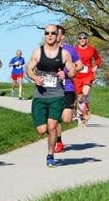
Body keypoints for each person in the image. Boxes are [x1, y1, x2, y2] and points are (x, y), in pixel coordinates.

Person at [26, 24, 77, 168]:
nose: (49, 35)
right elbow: (29, 69)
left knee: (52, 125)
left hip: (57, 95)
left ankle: (50, 155)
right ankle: (51, 139)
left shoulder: (64, 54)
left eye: (53, 33)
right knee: (42, 130)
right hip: (40, 96)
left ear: (57, 35)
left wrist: (65, 74)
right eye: (47, 33)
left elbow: (73, 71)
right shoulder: (38, 52)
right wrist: (34, 77)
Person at [54, 25, 83, 153]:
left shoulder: (70, 50)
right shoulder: (47, 50)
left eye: (57, 33)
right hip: (53, 87)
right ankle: (58, 141)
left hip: (68, 87)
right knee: (54, 117)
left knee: (66, 119)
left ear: (62, 36)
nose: (54, 36)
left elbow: (80, 65)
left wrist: (69, 71)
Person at [74, 32, 102, 126]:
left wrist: (96, 66)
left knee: (85, 93)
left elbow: (98, 59)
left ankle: (86, 108)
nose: (82, 40)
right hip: (77, 76)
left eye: (84, 38)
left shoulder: (92, 49)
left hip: (88, 75)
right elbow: (68, 60)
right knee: (80, 98)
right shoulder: (74, 50)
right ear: (78, 40)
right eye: (80, 38)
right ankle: (82, 115)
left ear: (87, 39)